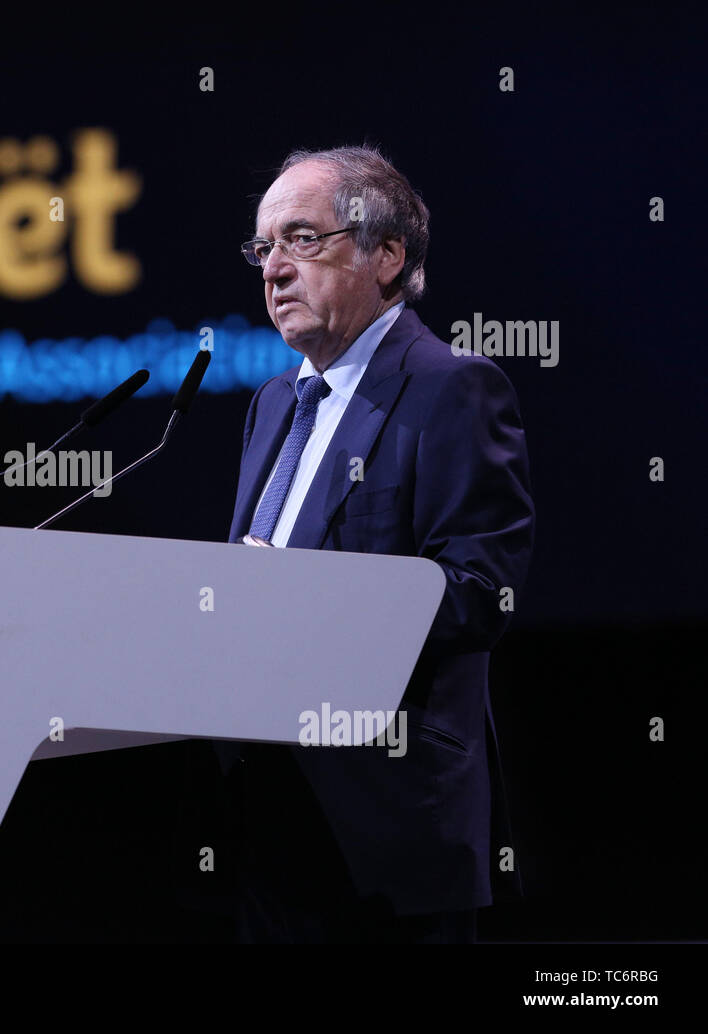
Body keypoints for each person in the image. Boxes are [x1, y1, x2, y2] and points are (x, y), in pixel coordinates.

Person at [224, 145, 534, 943]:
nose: (273, 270)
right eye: (263, 248)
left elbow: (476, 592)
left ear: (387, 254)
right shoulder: (271, 404)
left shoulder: (451, 386)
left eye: (302, 239)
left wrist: (294, 591)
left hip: (387, 823)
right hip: (267, 816)